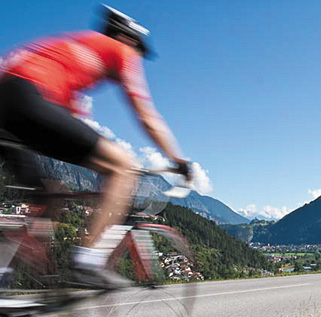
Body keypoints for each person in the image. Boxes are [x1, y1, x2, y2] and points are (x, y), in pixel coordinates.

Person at [0, 6, 191, 292]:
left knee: (49, 192)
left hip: (9, 102)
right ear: (129, 38)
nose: (137, 58)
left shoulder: (70, 52)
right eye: (139, 50)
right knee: (121, 166)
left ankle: (7, 279)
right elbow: (147, 116)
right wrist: (178, 160)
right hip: (27, 96)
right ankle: (87, 262)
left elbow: (70, 128)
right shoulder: (119, 49)